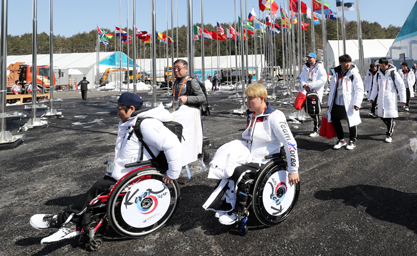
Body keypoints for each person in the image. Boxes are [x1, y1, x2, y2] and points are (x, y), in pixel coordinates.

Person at [29, 92, 182, 244]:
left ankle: (63, 220)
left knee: (97, 189)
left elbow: (172, 144)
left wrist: (172, 174)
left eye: (120, 108)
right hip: (125, 172)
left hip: (135, 175)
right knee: (96, 191)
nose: (117, 112)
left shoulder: (147, 124)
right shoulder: (130, 122)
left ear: (131, 109)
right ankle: (72, 221)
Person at [203, 84, 299, 225]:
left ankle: (239, 211)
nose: (247, 102)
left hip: (266, 159)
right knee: (226, 165)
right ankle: (226, 203)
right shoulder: (252, 115)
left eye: (250, 99)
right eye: (246, 98)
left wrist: (293, 170)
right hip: (250, 156)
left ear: (261, 99)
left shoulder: (274, 117)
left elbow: (290, 143)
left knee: (240, 172)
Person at [327, 54, 364, 150]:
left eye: (349, 62)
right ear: (340, 63)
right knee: (335, 120)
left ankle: (352, 141)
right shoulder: (335, 73)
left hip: (348, 103)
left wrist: (357, 103)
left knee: (351, 122)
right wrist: (329, 104)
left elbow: (359, 89)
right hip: (337, 102)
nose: (348, 64)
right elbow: (332, 90)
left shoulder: (353, 74)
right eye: (345, 62)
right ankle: (341, 140)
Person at [368, 58, 406, 143]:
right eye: (380, 66)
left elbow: (401, 86)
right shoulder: (378, 75)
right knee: (381, 115)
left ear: (387, 65)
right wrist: (372, 97)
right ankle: (391, 124)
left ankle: (389, 135)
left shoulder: (393, 73)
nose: (382, 68)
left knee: (389, 117)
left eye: (383, 66)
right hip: (381, 98)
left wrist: (403, 99)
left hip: (390, 98)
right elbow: (375, 87)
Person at [298, 52, 327, 137]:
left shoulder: (320, 68)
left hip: (316, 93)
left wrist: (310, 85)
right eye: (308, 58)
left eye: (311, 58)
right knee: (309, 110)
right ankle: (320, 125)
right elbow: (301, 78)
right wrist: (304, 84)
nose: (309, 59)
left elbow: (323, 80)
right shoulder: (306, 68)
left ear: (315, 58)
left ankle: (316, 129)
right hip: (307, 92)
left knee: (315, 110)